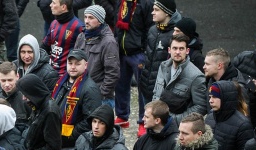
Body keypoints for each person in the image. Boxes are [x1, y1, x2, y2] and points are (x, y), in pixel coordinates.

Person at [51, 48, 102, 150]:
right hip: (58, 142)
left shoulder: (89, 88)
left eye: (77, 63)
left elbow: (90, 122)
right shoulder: (62, 83)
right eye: (70, 63)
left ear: (85, 65)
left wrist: (68, 136)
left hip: (71, 146)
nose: (73, 67)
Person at [113, 0, 154, 132]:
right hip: (122, 50)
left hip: (138, 52)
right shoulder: (123, 1)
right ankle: (122, 115)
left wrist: (144, 49)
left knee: (143, 88)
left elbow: (150, 28)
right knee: (120, 84)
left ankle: (143, 121)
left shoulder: (146, 3)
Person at [139, 0, 182, 116]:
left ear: (167, 13)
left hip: (163, 90)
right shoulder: (153, 30)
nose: (152, 13)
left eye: (156, 10)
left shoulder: (176, 34)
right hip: (147, 85)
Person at [152, 33, 207, 123]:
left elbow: (201, 107)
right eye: (175, 48)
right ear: (169, 50)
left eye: (181, 49)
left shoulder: (196, 76)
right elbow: (156, 93)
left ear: (187, 51)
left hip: (179, 128)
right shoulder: (163, 66)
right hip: (158, 122)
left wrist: (174, 120)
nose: (177, 52)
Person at [74, 5, 120, 106]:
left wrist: (100, 93)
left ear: (100, 21)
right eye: (85, 17)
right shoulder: (81, 37)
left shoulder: (108, 42)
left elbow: (113, 73)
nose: (86, 21)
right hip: (81, 93)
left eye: (91, 18)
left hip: (101, 99)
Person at [16, 74, 62, 150]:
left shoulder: (50, 112)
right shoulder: (38, 105)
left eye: (26, 95)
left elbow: (53, 146)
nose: (23, 98)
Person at [42, 0, 84, 78]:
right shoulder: (53, 23)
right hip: (50, 74)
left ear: (63, 7)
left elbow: (83, 55)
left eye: (54, 3)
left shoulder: (79, 27)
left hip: (67, 77)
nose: (50, 5)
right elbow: (44, 47)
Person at [0, 61, 30, 129]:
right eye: (3, 81)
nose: (7, 85)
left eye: (10, 80)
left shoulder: (26, 99)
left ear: (17, 76)